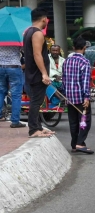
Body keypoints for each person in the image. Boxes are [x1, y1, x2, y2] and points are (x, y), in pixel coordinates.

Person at [23, 9, 53, 138]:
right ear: (43, 19)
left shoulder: (28, 32)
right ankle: (34, 130)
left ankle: (38, 127)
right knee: (36, 101)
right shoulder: (37, 33)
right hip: (36, 74)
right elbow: (37, 54)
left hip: (31, 73)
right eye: (46, 19)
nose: (47, 21)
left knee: (37, 101)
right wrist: (44, 74)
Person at [62, 36, 93, 153]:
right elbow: (85, 81)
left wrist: (65, 94)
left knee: (73, 122)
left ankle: (74, 144)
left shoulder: (66, 61)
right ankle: (80, 143)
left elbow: (64, 80)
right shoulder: (85, 62)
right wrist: (87, 97)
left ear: (73, 47)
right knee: (85, 121)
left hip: (69, 97)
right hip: (81, 98)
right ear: (85, 47)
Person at [0, 32, 25, 128]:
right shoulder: (17, 37)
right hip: (14, 67)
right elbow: (24, 50)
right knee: (16, 95)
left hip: (0, 67)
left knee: (1, 92)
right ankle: (15, 121)